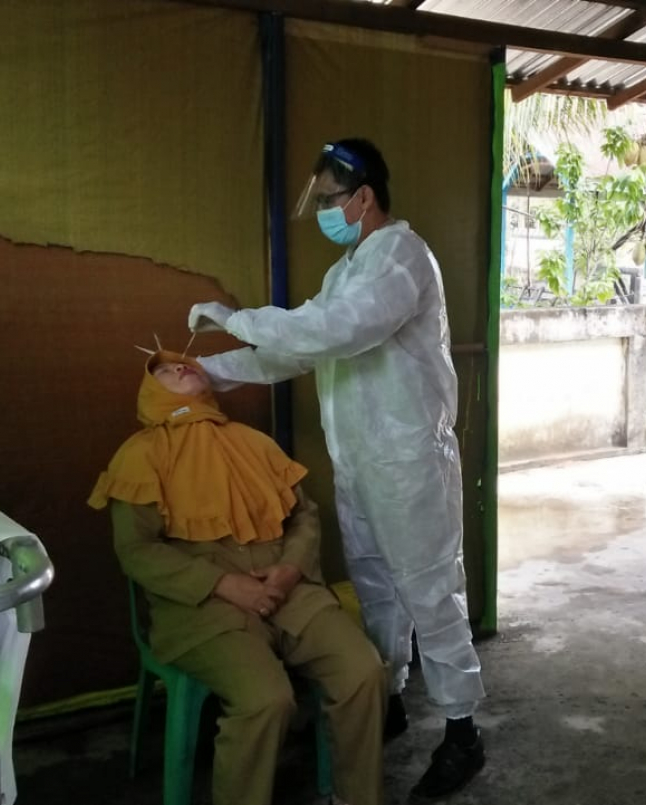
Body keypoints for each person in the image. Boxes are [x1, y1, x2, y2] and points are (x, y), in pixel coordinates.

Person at [187, 138, 486, 797]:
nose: (323, 210)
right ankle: (388, 697)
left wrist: (239, 320)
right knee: (376, 587)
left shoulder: (403, 257)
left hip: (408, 463)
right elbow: (298, 350)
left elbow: (335, 332)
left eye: (329, 198)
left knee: (430, 592)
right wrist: (210, 370)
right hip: (359, 462)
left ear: (364, 197)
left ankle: (463, 730)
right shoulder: (344, 271)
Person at [88, 349, 386, 805]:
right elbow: (137, 551)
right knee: (266, 700)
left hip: (288, 589)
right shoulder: (139, 455)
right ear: (149, 391)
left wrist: (289, 569)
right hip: (204, 607)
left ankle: (357, 798)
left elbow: (304, 515)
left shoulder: (254, 443)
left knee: (364, 672)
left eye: (185, 363)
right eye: (164, 369)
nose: (180, 367)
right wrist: (222, 584)